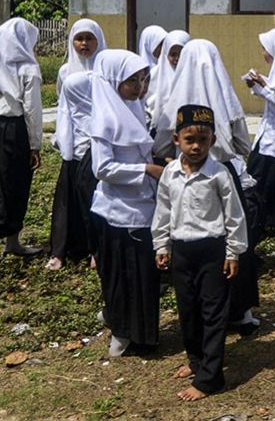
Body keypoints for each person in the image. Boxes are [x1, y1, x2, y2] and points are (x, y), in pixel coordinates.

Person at [155, 39, 261, 334]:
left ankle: (201, 315)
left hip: (186, 175)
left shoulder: (174, 103)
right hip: (222, 172)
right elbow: (243, 143)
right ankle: (240, 311)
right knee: (232, 239)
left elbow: (162, 141)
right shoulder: (225, 97)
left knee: (195, 239)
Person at [153, 104, 248, 402]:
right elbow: (163, 210)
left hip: (212, 250)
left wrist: (233, 252)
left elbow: (234, 216)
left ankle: (210, 379)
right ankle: (196, 361)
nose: (195, 146)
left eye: (202, 140)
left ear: (213, 141)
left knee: (213, 311)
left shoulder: (219, 174)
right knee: (188, 309)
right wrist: (161, 244)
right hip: (182, 250)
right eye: (189, 139)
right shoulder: (170, 172)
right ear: (176, 139)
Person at [89, 49, 159, 358]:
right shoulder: (105, 118)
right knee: (122, 276)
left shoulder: (134, 109)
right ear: (114, 81)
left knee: (143, 275)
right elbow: (102, 169)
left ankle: (143, 332)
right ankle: (121, 330)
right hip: (118, 210)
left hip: (143, 207)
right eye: (132, 81)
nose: (139, 87)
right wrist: (145, 169)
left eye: (142, 80)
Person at [0, 17, 44, 276]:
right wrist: (35, 145)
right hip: (15, 131)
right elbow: (32, 111)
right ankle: (12, 241)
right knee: (17, 184)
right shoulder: (28, 70)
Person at [243, 28, 275, 241]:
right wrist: (257, 85)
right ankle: (260, 225)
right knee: (256, 184)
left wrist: (264, 88)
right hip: (266, 140)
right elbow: (273, 92)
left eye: (265, 49)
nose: (264, 54)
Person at [48, 70, 93, 270]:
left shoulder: (102, 110)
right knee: (67, 207)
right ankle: (61, 251)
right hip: (73, 160)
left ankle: (95, 250)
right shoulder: (67, 109)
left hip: (93, 160)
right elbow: (62, 135)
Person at [146, 29, 190, 136]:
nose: (177, 59)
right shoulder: (155, 75)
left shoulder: (193, 75)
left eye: (181, 54)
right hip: (160, 131)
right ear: (165, 54)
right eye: (173, 54)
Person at [56, 18, 106, 94]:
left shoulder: (107, 70)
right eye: (79, 39)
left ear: (98, 40)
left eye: (89, 38)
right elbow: (62, 100)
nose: (84, 43)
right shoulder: (65, 71)